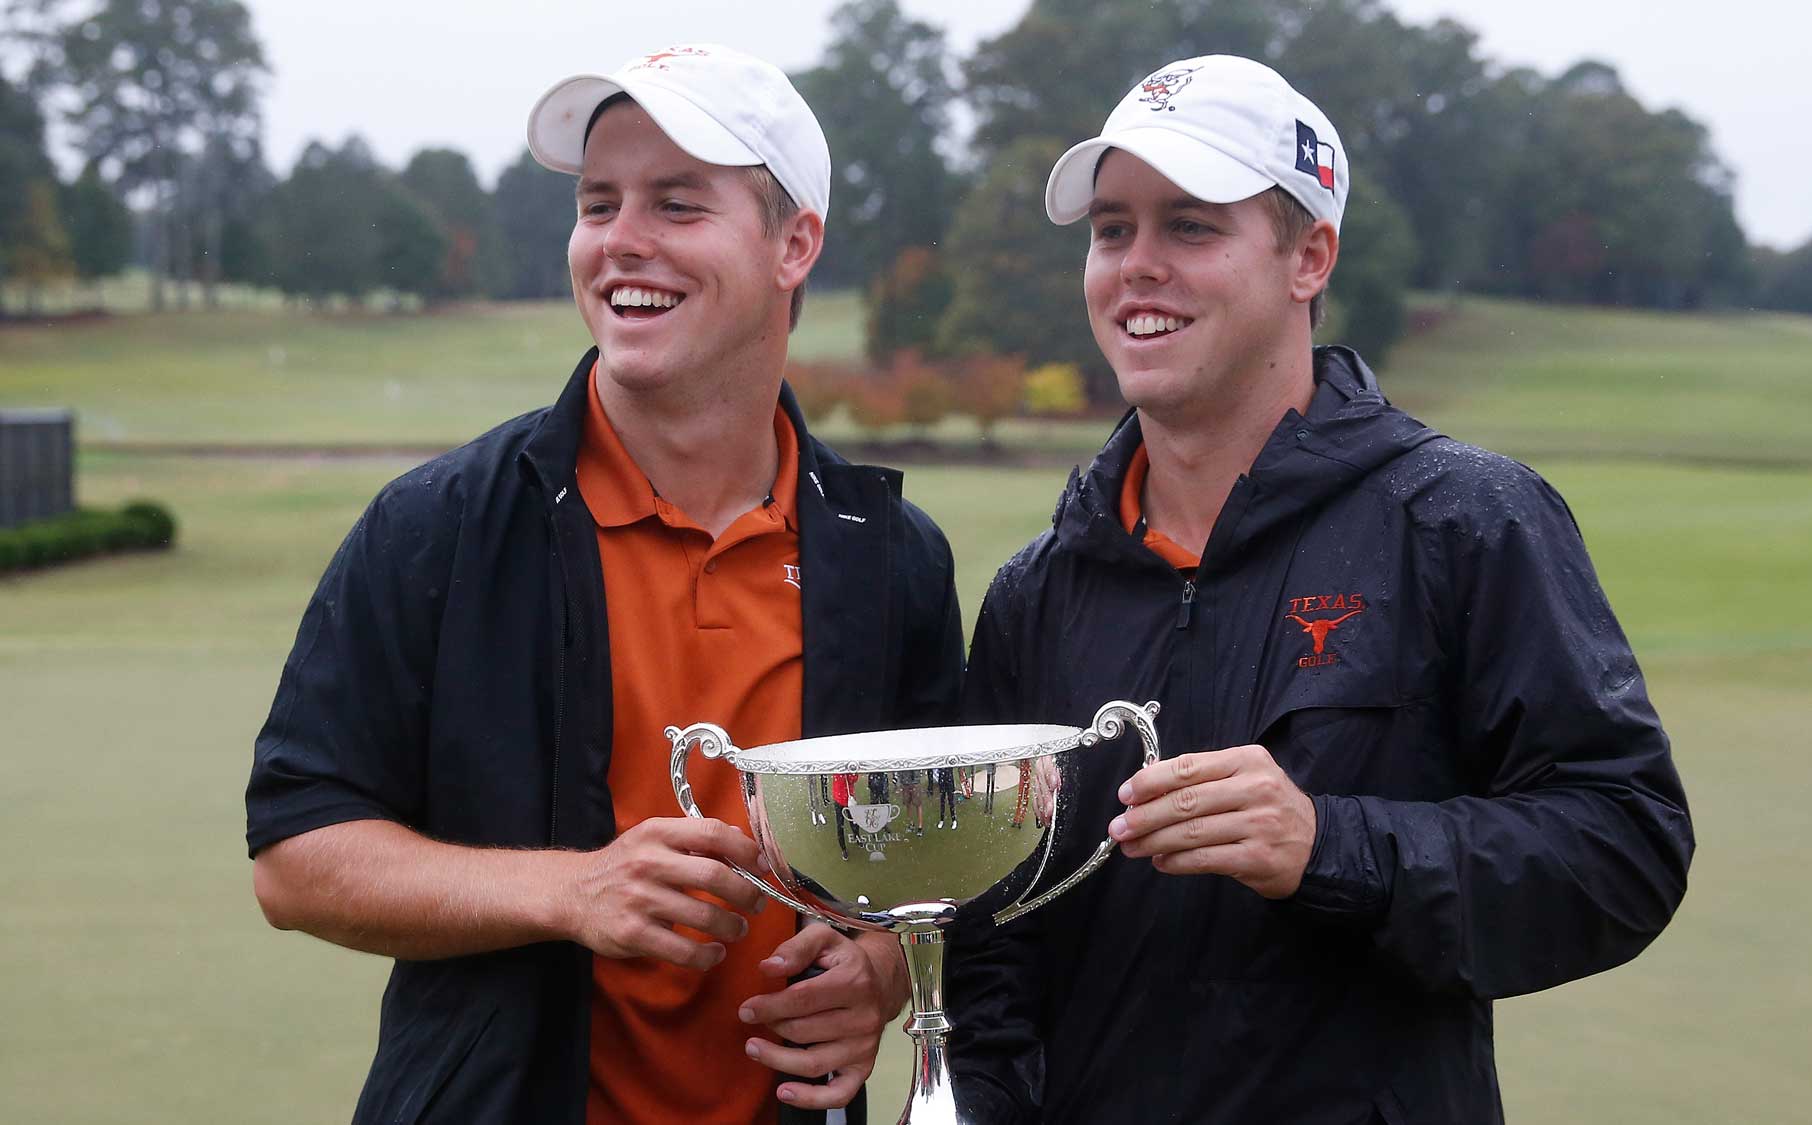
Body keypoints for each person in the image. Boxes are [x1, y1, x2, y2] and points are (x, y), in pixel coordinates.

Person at [943, 55, 1694, 1124]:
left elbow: (1625, 847)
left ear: (1309, 257)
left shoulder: (1465, 520)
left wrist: (1327, 845)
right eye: (1112, 230)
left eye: (1190, 227)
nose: (1134, 267)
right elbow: (992, 944)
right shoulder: (1036, 588)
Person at [245, 45, 963, 1125]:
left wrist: (879, 969)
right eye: (597, 203)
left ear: (793, 244)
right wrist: (570, 891)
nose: (621, 241)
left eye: (677, 205)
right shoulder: (435, 528)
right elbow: (296, 856)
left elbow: (937, 864)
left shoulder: (891, 553)